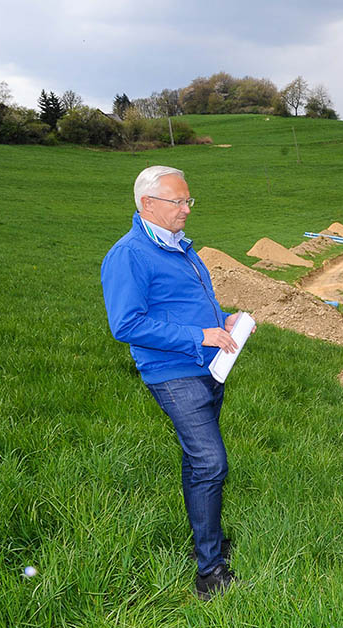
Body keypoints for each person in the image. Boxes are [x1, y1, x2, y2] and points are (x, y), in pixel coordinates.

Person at [101, 165, 251, 600]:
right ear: (148, 204)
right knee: (211, 462)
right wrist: (199, 336)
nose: (187, 209)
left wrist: (226, 320)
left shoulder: (181, 247)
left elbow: (187, 306)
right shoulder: (129, 254)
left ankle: (207, 540)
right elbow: (126, 324)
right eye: (178, 201)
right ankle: (210, 573)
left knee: (196, 460)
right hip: (172, 372)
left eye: (189, 200)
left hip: (208, 368)